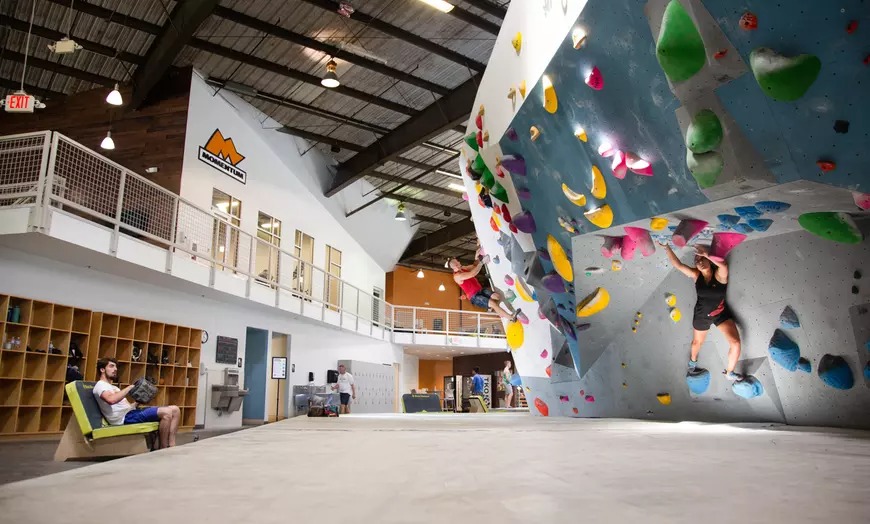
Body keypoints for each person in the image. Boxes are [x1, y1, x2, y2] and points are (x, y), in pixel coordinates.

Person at [659, 241, 743, 381]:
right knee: (696, 343)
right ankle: (692, 361)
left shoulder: (720, 276)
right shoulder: (696, 275)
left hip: (720, 313)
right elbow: (678, 265)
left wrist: (707, 254)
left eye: (701, 259)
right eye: (696, 261)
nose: (699, 262)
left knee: (735, 343)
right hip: (702, 315)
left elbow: (723, 265)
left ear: (709, 261)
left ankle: (730, 372)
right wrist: (667, 247)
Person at [92, 357, 181, 449]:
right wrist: (130, 388)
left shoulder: (113, 387)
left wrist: (138, 402)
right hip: (124, 418)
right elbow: (111, 400)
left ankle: (171, 445)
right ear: (102, 369)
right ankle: (163, 448)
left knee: (175, 410)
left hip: (131, 413)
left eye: (116, 367)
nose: (115, 369)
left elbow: (126, 406)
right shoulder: (100, 385)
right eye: (111, 366)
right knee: (166, 413)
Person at [449, 252, 519, 322]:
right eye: (457, 262)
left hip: (480, 290)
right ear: (455, 266)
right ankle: (511, 318)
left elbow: (474, 266)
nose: (459, 261)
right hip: (474, 296)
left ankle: (496, 311)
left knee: (497, 296)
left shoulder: (463, 268)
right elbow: (472, 274)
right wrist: (482, 262)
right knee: (493, 304)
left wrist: (477, 257)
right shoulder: (457, 276)